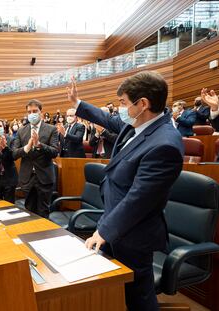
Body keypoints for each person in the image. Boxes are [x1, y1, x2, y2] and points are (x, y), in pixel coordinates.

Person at [67, 72, 183, 311]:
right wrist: (78, 104)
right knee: (116, 292)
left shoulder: (165, 144)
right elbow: (107, 119)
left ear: (143, 104)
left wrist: (104, 231)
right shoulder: (137, 124)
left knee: (138, 296)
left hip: (134, 234)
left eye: (123, 103)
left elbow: (139, 198)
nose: (119, 109)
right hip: (115, 223)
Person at [12, 99, 59, 218]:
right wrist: (26, 148)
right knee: (29, 211)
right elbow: (14, 154)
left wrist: (39, 145)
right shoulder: (21, 131)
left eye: (35, 111)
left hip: (44, 177)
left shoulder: (51, 129)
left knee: (43, 212)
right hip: (27, 177)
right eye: (29, 112)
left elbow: (54, 152)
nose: (32, 114)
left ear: (41, 112)